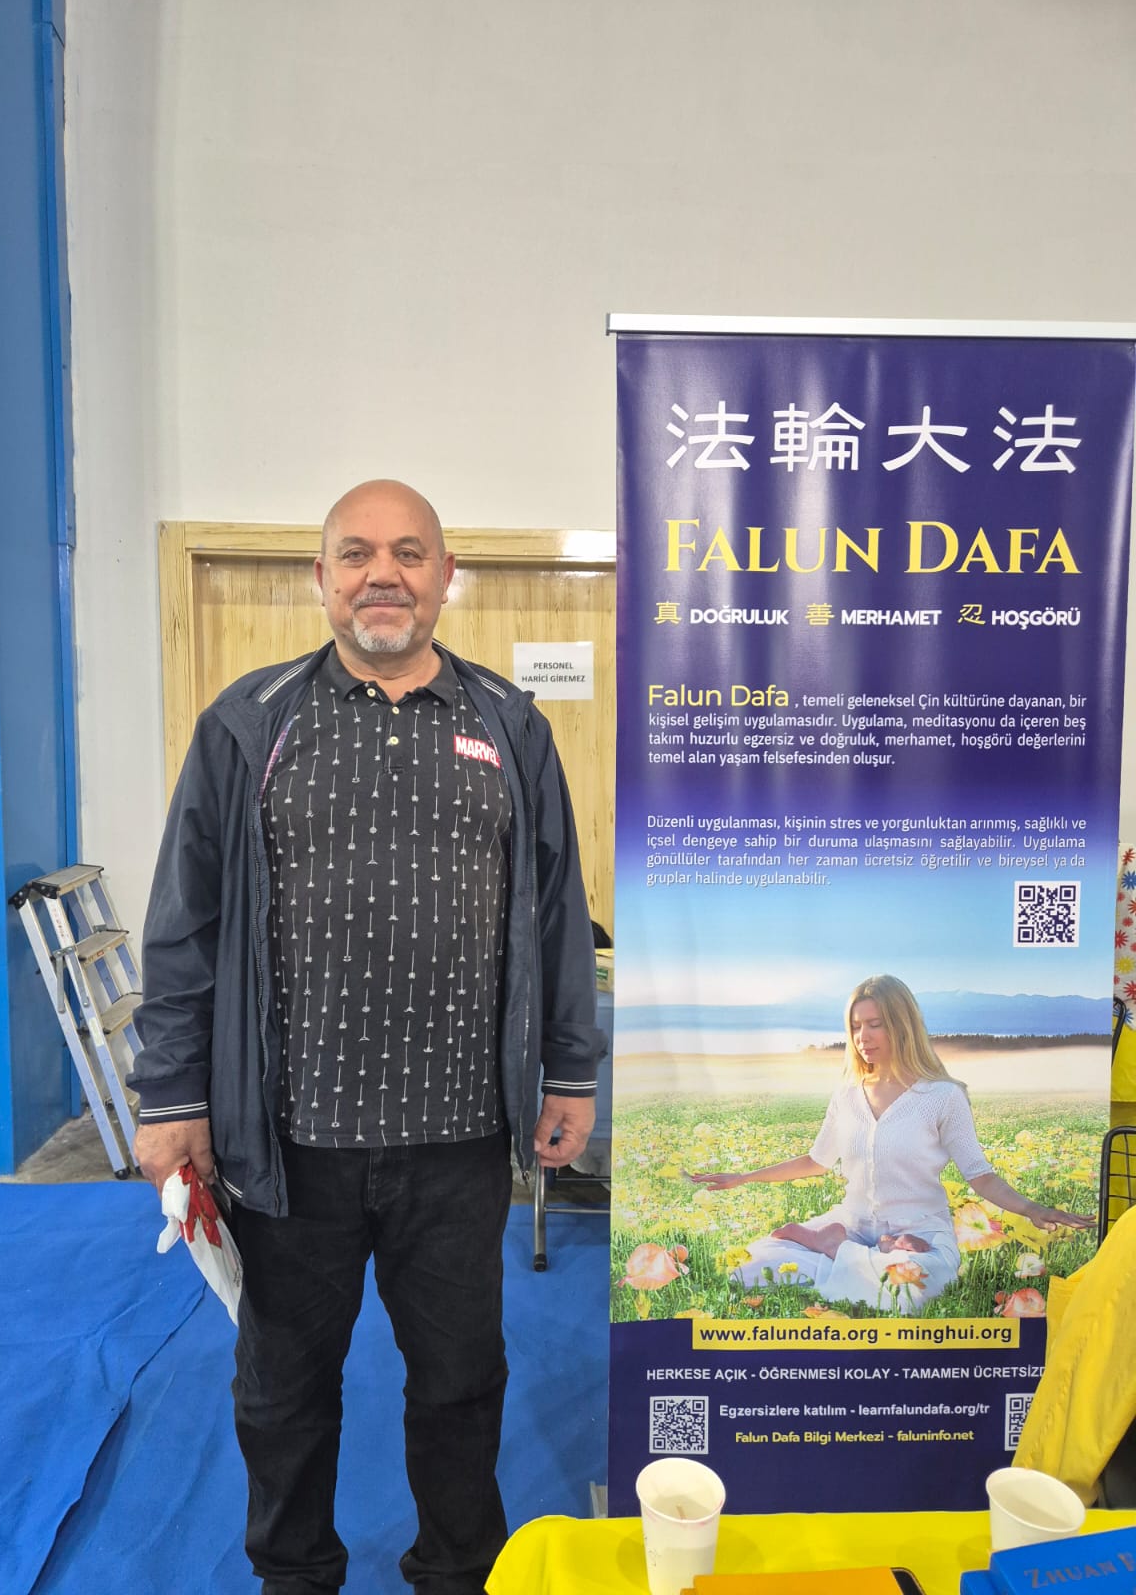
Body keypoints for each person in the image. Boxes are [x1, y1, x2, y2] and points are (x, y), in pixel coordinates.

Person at [130, 479, 604, 1595]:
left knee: (461, 1378)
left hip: (459, 1142)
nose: (381, 573)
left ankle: (458, 1569)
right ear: (322, 579)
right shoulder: (248, 724)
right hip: (289, 1145)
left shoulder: (511, 726)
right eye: (355, 553)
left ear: (445, 577)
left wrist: (570, 1069)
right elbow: (184, 924)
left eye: (407, 552)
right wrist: (172, 1096)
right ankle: (295, 1573)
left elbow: (556, 912)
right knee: (284, 1384)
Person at [689, 974, 1091, 1314]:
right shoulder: (847, 1094)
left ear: (901, 1025)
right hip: (853, 1224)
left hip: (919, 1233)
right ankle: (850, 1250)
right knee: (749, 1268)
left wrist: (1033, 1209)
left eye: (875, 1024)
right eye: (855, 1027)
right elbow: (816, 1161)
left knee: (911, 1290)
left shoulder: (942, 1096)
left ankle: (838, 1251)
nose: (862, 1037)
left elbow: (979, 1175)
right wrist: (743, 1177)